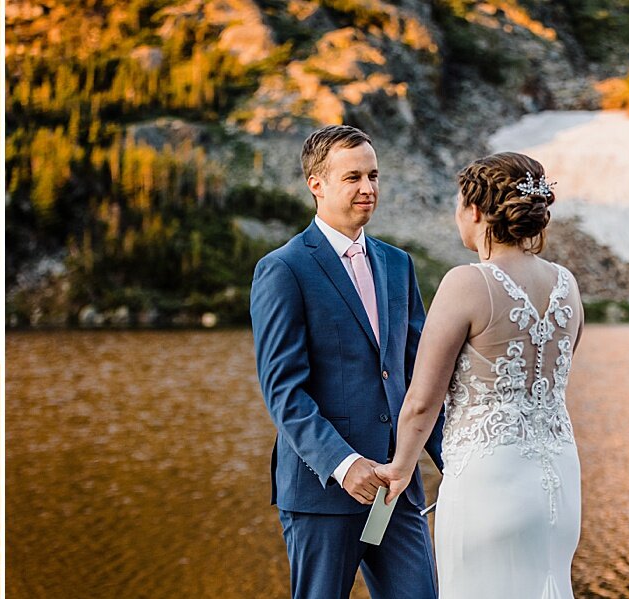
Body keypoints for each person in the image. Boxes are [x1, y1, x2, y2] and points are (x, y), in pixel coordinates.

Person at [377, 151, 586, 598]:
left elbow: (422, 400)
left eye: (458, 205)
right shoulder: (568, 285)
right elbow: (550, 380)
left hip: (490, 482)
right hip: (559, 484)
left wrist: (400, 467)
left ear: (475, 211)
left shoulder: (467, 283)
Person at [249, 124, 441, 599]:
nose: (368, 188)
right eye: (353, 177)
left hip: (396, 489)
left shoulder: (399, 264)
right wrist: (343, 463)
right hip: (323, 492)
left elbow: (420, 377)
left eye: (374, 175)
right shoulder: (283, 269)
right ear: (316, 184)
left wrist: (455, 463)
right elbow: (283, 391)